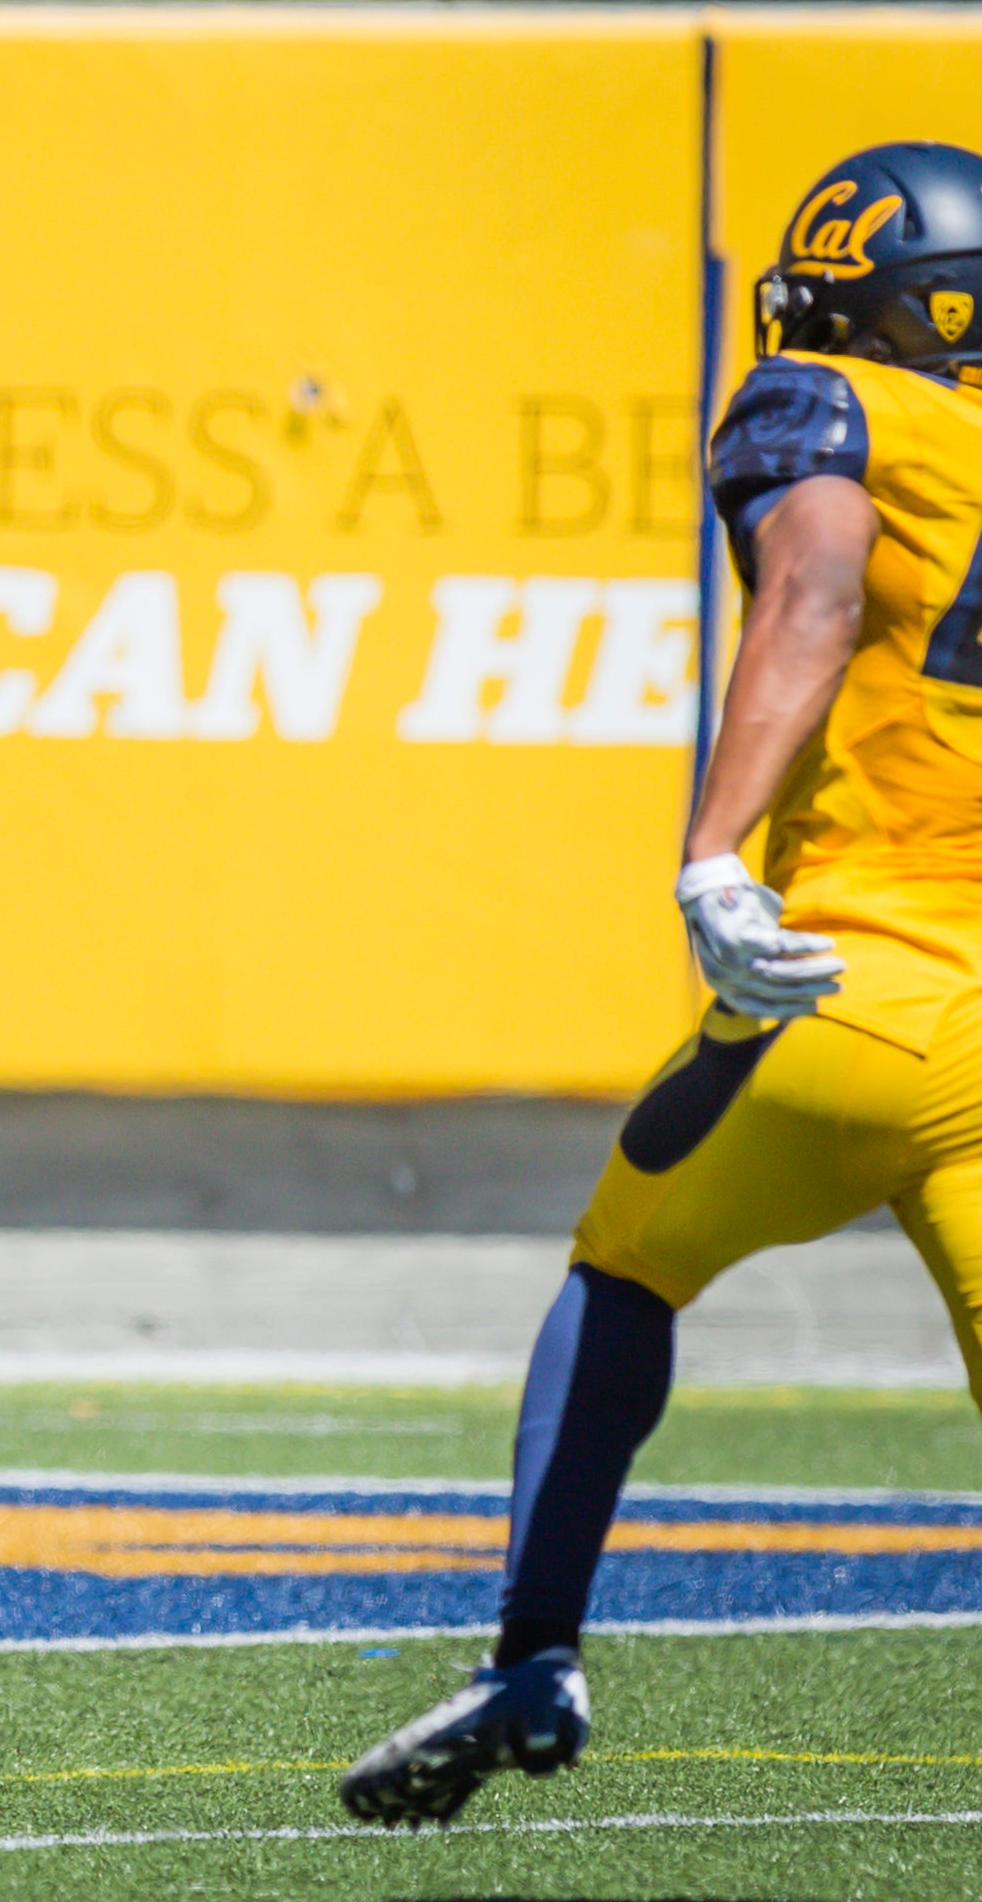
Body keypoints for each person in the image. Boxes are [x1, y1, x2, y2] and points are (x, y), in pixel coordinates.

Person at [342, 142, 982, 1827]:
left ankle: (536, 1645)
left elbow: (817, 586)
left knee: (625, 1264)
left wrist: (715, 852)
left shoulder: (836, 405)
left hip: (853, 992)